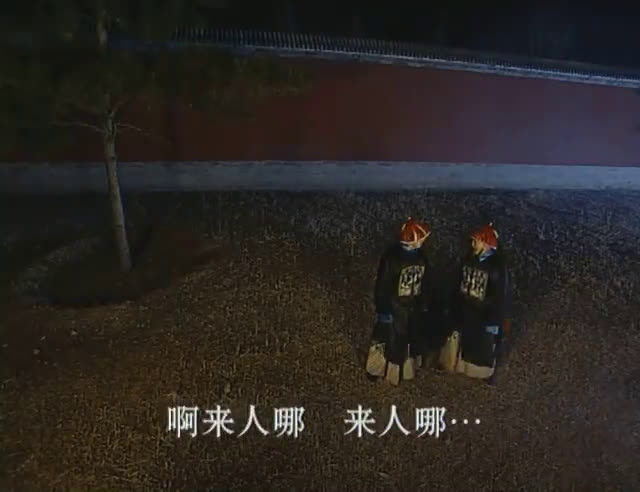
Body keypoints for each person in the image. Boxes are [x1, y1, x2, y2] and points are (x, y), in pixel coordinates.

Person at [365, 217, 433, 386]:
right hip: (394, 308)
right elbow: (382, 285)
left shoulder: (421, 257)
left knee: (407, 341)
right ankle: (377, 370)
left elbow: (425, 282)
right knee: (385, 341)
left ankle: (403, 371)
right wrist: (383, 309)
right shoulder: (392, 258)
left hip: (412, 307)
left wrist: (424, 302)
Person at [442, 223, 511, 385]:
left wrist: (494, 319)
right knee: (466, 342)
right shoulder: (469, 260)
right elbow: (459, 281)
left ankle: (484, 373)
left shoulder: (496, 268)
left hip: (483, 314)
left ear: (486, 244)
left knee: (482, 346)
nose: (473, 244)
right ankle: (464, 367)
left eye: (476, 241)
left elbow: (499, 296)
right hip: (467, 310)